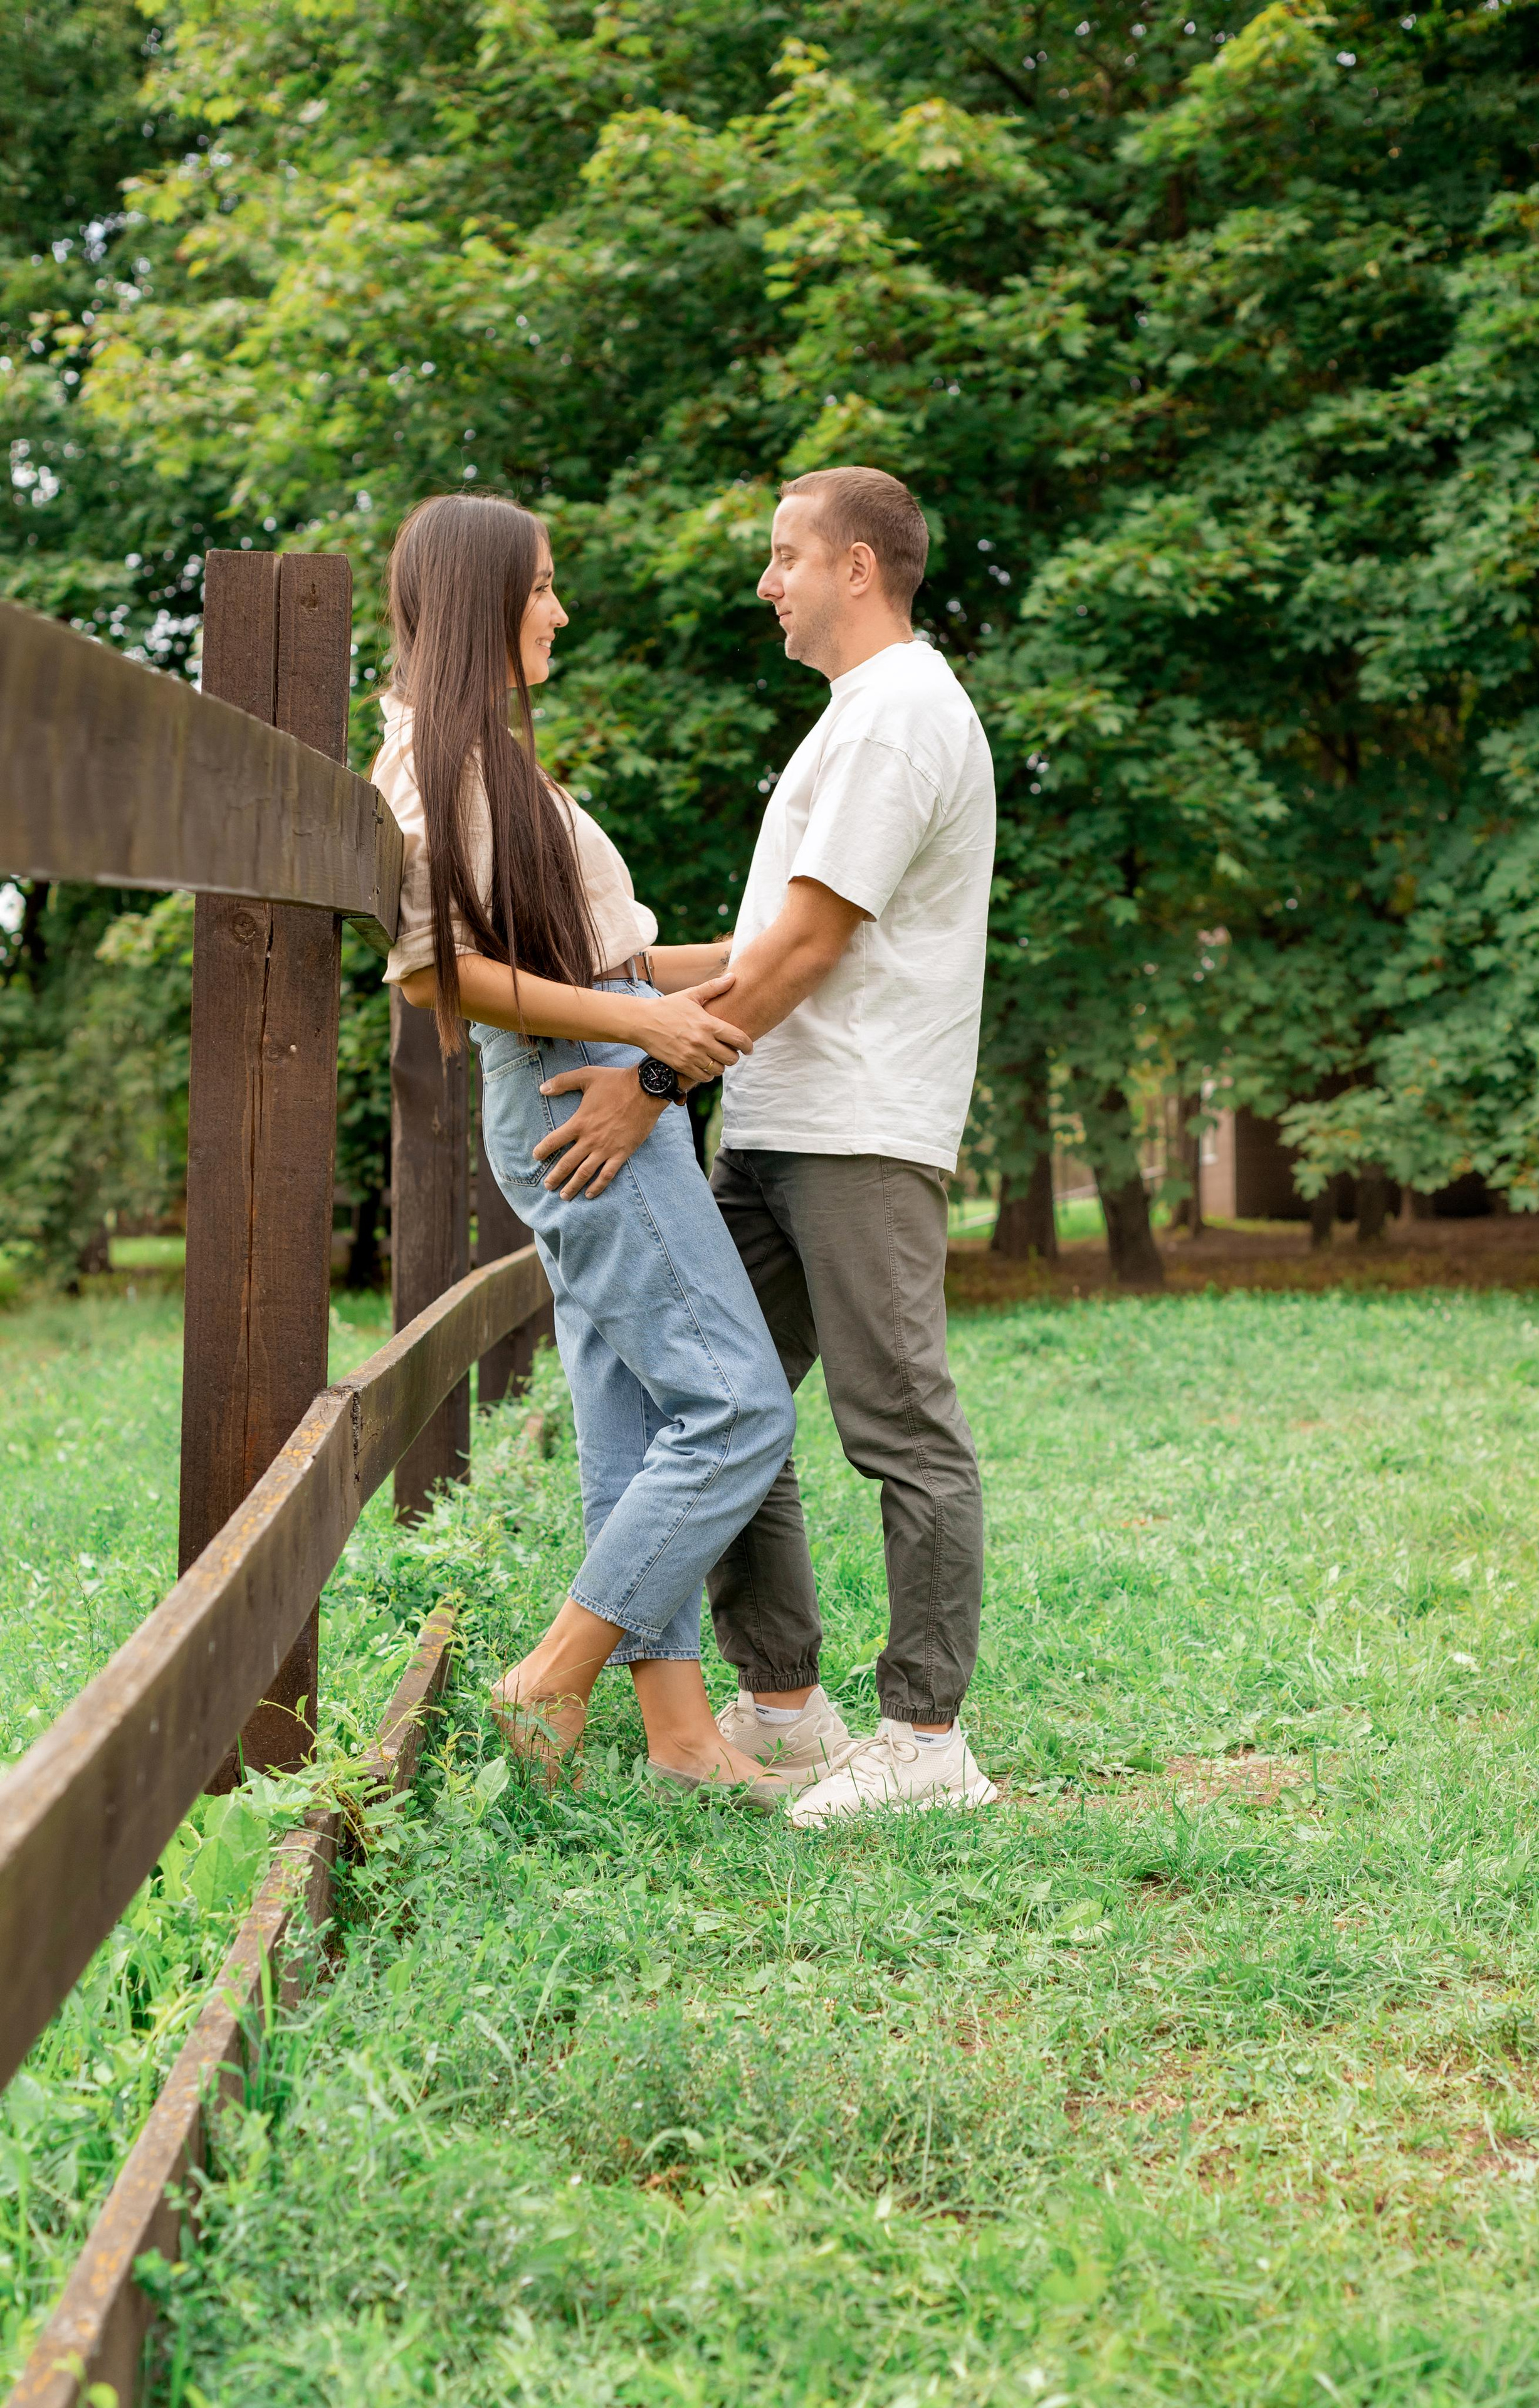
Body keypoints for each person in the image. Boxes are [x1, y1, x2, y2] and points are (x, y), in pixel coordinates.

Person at [531, 465, 998, 1822]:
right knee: (724, 1401)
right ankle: (785, 1707)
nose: (765, 582)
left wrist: (648, 1076)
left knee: (897, 1422)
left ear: (857, 566)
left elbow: (801, 949)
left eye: (784, 557)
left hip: (856, 1126)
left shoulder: (899, 715)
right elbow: (753, 949)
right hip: (782, 1117)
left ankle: (925, 1741)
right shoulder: (851, 723)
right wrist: (603, 973)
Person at [375, 488, 801, 1806]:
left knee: (636, 1415)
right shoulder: (427, 768)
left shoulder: (485, 763)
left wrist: (774, 946)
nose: (558, 610)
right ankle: (547, 1678)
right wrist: (639, 1021)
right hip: (577, 1095)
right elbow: (435, 972)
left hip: (590, 1071)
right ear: (480, 600)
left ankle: (677, 1741)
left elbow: (606, 960)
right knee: (737, 1406)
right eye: (542, 585)